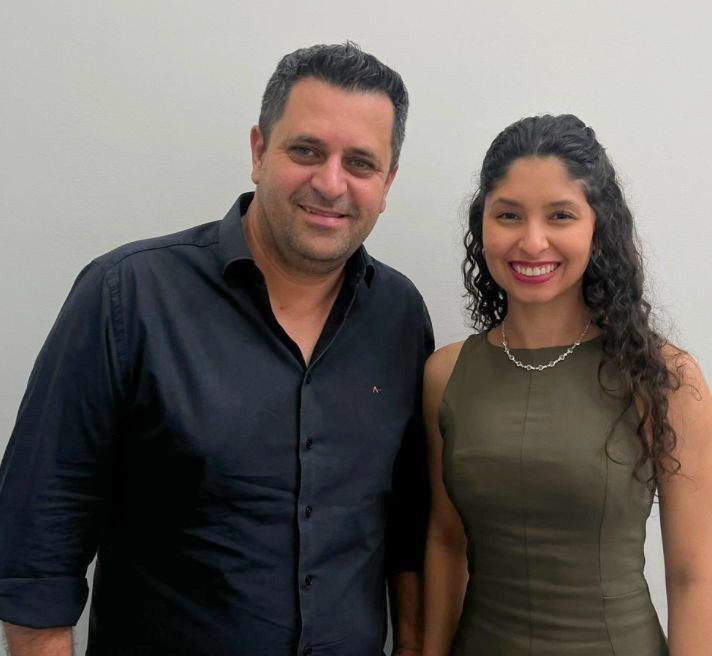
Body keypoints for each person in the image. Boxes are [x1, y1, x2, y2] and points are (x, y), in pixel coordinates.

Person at [0, 43, 433, 656]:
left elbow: (410, 526)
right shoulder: (127, 296)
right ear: (258, 151)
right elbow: (36, 551)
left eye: (360, 163)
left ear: (386, 183)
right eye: (306, 151)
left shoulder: (400, 314)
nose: (330, 183)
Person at [422, 115, 712, 655]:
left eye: (560, 215)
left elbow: (694, 576)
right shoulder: (445, 375)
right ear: (482, 225)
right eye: (509, 215)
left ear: (597, 226)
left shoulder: (664, 377)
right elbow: (444, 541)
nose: (533, 241)